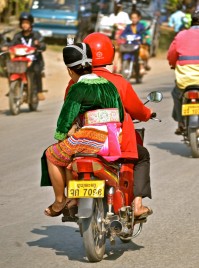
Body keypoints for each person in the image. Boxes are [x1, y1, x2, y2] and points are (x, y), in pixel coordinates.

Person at [65, 33, 154, 219]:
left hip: (85, 143)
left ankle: (70, 199)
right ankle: (137, 205)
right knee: (142, 156)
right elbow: (137, 110)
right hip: (115, 144)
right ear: (110, 53)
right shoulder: (119, 82)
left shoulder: (74, 82)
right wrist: (148, 114)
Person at [42, 42, 124, 217]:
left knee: (52, 154)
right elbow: (121, 115)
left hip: (90, 138)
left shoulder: (78, 87)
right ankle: (75, 198)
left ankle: (59, 201)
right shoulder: (109, 86)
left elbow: (66, 117)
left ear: (70, 70)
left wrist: (61, 136)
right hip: (113, 140)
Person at [167, 10, 199, 135]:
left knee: (176, 93)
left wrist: (172, 64)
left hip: (185, 81)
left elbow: (171, 55)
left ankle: (180, 122)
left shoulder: (181, 35)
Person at [4, 12, 46, 101]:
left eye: (27, 23)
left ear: (31, 24)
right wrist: (6, 47)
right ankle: (13, 89)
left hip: (34, 60)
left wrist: (39, 44)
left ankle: (39, 91)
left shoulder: (36, 35)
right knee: (9, 69)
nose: (25, 25)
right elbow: (11, 44)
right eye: (23, 23)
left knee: (36, 71)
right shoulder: (17, 36)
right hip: (20, 61)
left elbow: (43, 45)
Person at [120, 10, 148, 83]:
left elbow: (145, 33)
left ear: (139, 18)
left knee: (139, 57)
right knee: (123, 55)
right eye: (132, 18)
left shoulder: (141, 26)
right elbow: (123, 34)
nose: (134, 19)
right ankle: (123, 70)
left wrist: (145, 36)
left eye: (135, 18)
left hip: (138, 45)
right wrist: (122, 37)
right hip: (129, 46)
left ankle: (141, 69)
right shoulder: (128, 27)